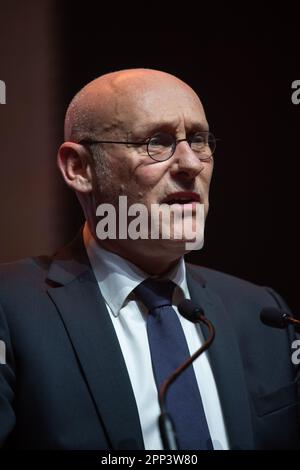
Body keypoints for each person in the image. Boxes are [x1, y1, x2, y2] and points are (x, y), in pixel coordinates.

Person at [0, 68, 299, 450]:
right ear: (80, 168)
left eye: (199, 140)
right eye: (156, 142)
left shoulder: (264, 315)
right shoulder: (11, 310)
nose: (191, 165)